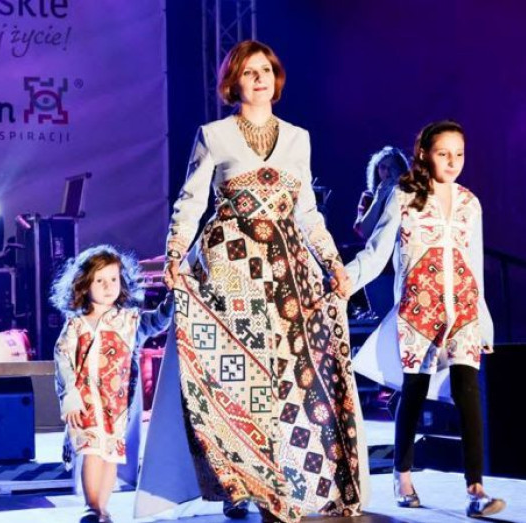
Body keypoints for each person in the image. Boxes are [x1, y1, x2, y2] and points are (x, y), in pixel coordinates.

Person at [135, 40, 368, 523]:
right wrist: (176, 253)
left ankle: (285, 481)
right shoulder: (213, 135)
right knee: (233, 380)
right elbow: (191, 201)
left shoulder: (298, 138)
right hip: (229, 271)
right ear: (232, 82)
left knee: (289, 379)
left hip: (287, 273)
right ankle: (238, 484)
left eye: (266, 70)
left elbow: (306, 211)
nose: (259, 78)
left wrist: (332, 262)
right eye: (249, 71)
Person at [346, 120, 505, 518]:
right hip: (419, 311)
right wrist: (345, 281)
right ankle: (402, 475)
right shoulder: (405, 196)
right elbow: (377, 251)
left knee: (468, 392)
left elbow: (474, 264)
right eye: (443, 153)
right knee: (413, 392)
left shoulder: (470, 203)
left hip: (463, 309)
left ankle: (475, 489)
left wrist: (484, 320)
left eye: (459, 154)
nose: (452, 162)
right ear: (423, 154)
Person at [52, 245, 172, 523]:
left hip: (116, 406)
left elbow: (158, 322)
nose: (108, 287)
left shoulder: (129, 321)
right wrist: (70, 395)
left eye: (113, 279)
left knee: (109, 454)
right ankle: (91, 506)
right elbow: (63, 359)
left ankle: (102, 508)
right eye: (100, 280)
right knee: (92, 451)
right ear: (85, 284)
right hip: (85, 403)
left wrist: (174, 298)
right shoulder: (77, 324)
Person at [353, 146, 410, 320]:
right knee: (384, 320)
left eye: (393, 167)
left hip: (406, 267)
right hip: (380, 271)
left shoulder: (411, 197)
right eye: (383, 167)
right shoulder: (369, 197)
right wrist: (379, 199)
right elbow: (364, 231)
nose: (388, 172)